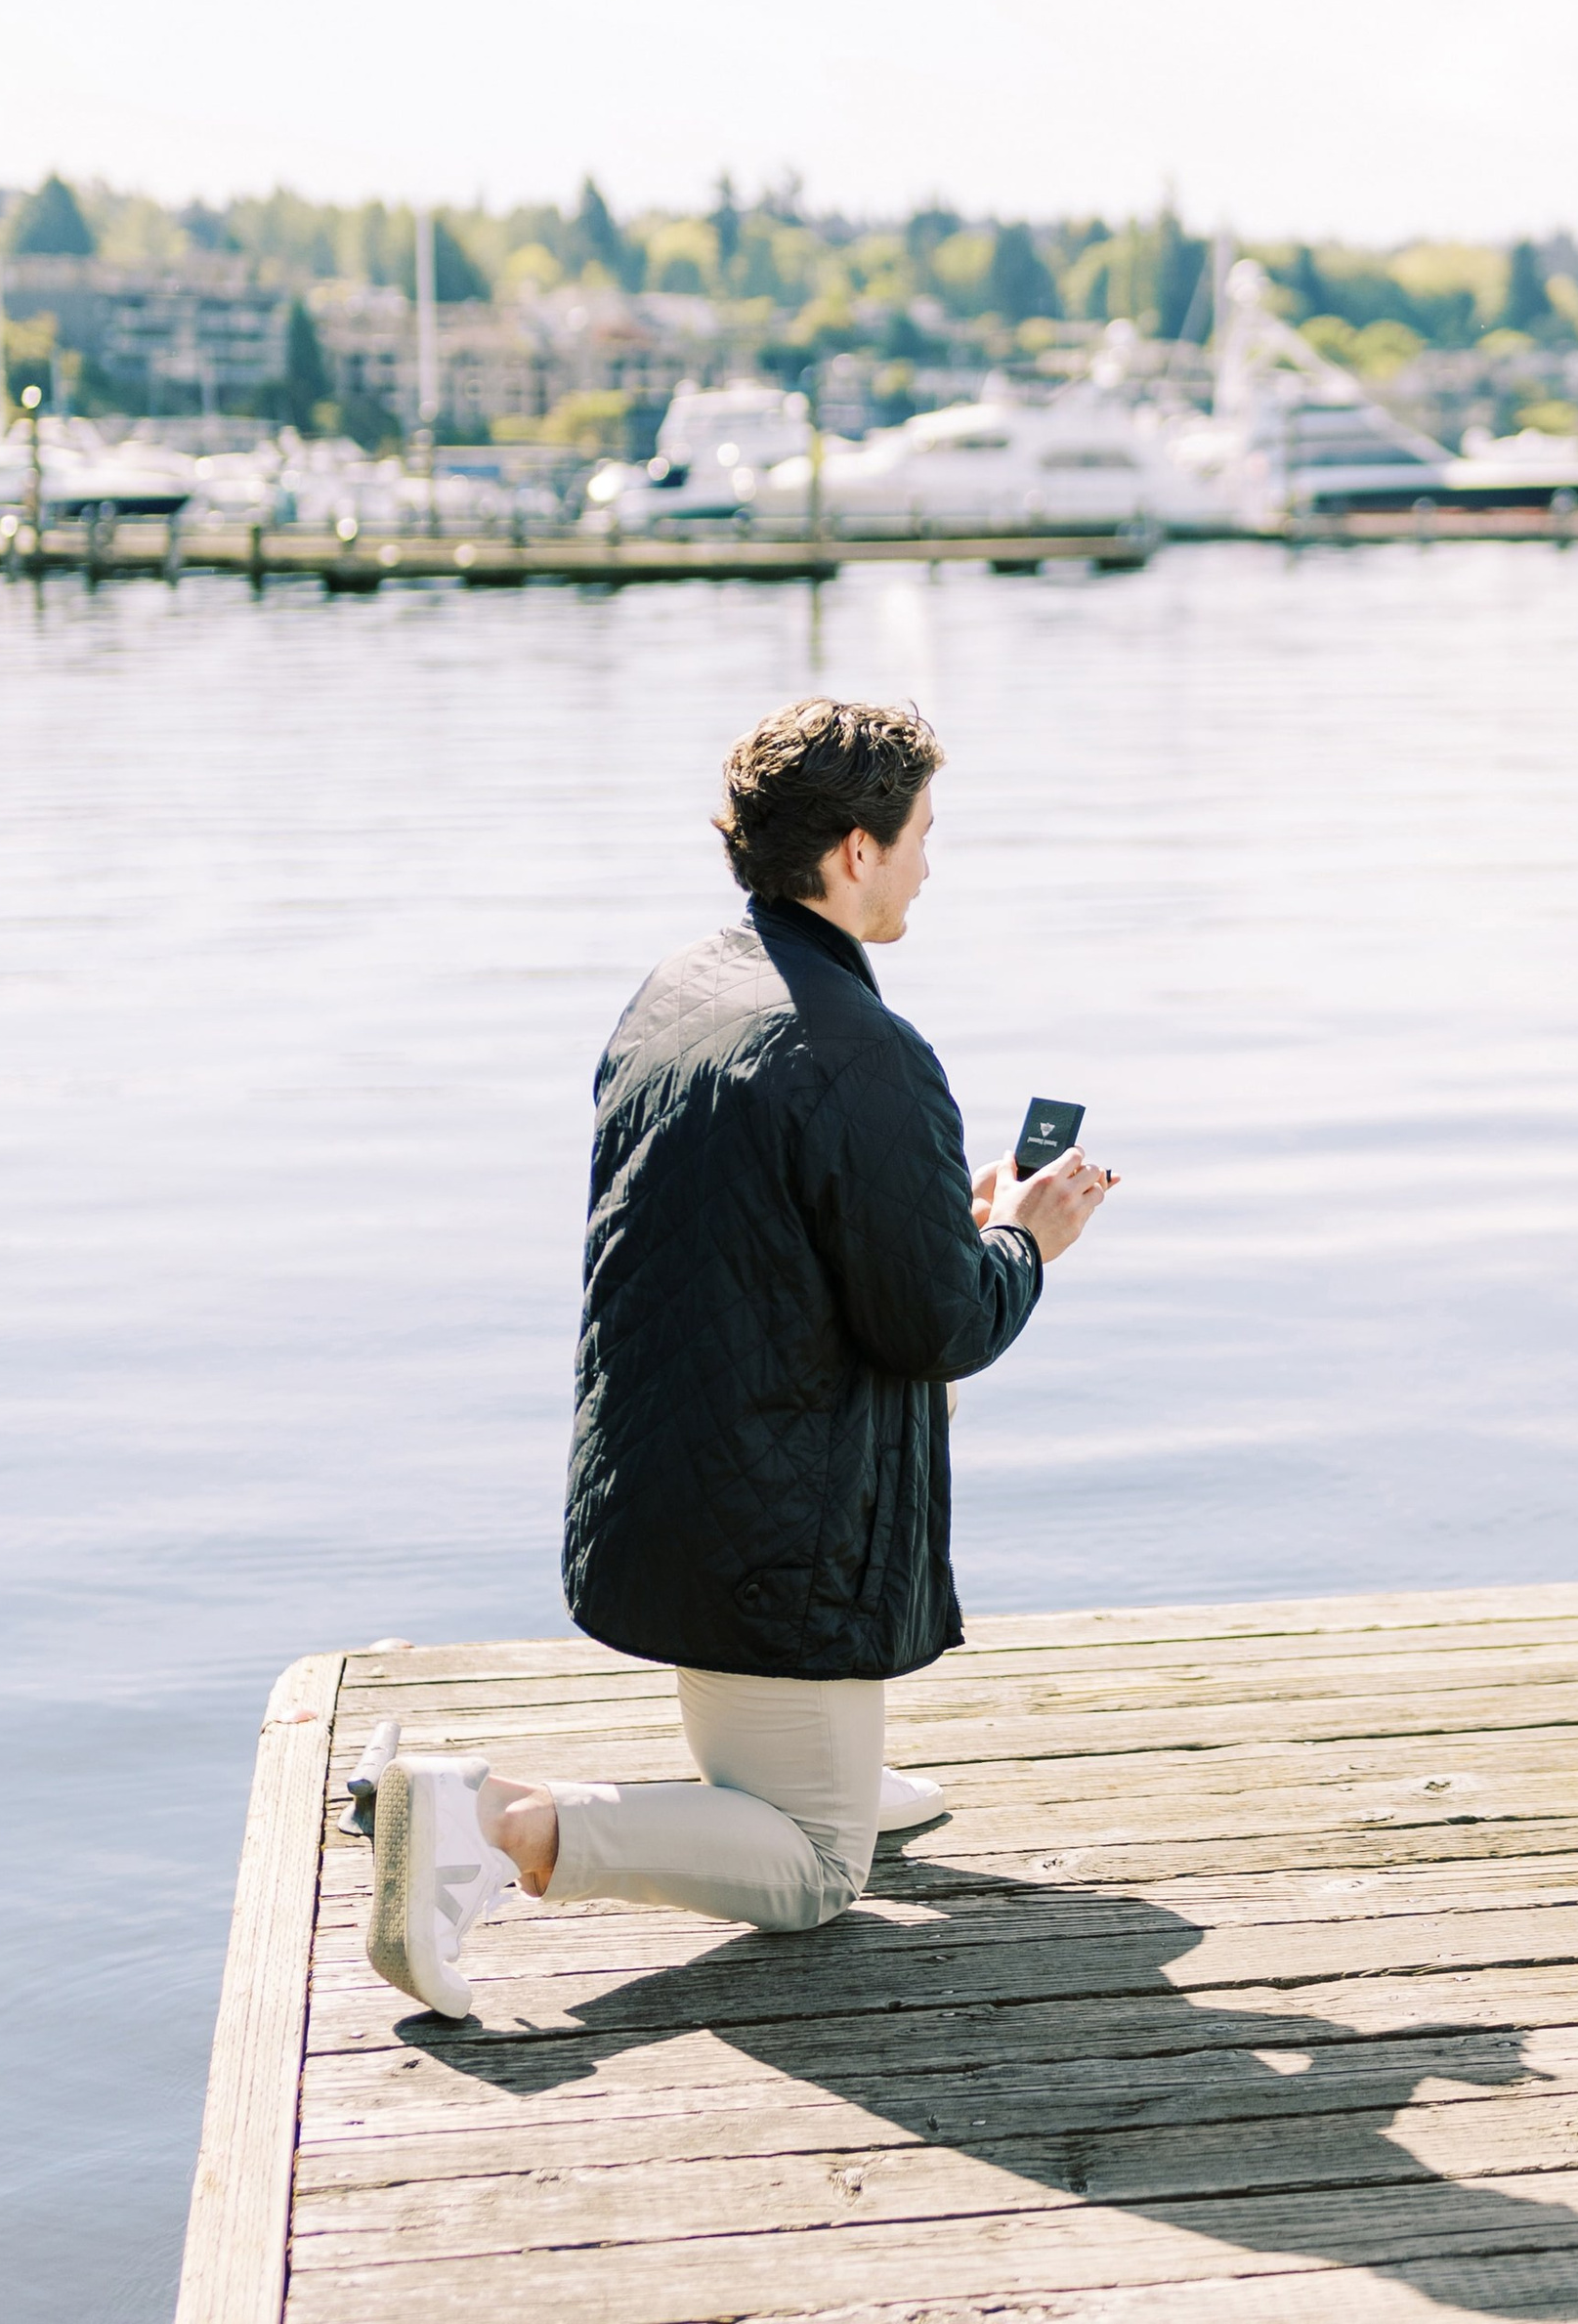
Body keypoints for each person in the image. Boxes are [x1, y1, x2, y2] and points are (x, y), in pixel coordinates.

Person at [367, 693, 1113, 2019]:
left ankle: (820, 1758)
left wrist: (952, 1216)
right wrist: (1025, 1240)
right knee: (821, 1868)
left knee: (826, 1798)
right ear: (855, 853)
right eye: (923, 834)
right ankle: (487, 1821)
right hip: (778, 1532)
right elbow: (938, 1325)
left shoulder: (682, 988)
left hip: (664, 1478)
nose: (933, 864)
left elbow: (775, 1239)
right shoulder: (863, 1050)